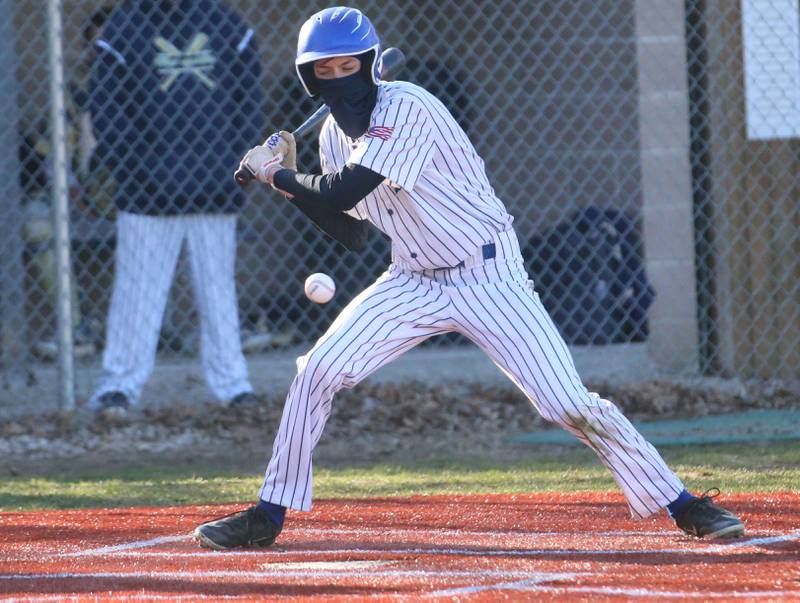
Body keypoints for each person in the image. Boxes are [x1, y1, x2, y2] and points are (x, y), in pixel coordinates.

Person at [194, 6, 745, 549]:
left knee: (567, 404)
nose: (339, 80)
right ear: (307, 77)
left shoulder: (409, 106)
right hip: (411, 278)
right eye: (324, 70)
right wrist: (288, 181)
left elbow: (342, 191)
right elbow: (349, 229)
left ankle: (683, 504)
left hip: (488, 274)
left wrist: (278, 174)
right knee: (317, 371)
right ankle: (268, 513)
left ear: (370, 65)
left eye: (348, 67)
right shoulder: (333, 138)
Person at [87, 0, 263, 416]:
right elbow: (107, 112)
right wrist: (142, 170)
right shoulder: (125, 25)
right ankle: (119, 387)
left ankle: (233, 386)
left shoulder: (223, 23)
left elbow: (248, 106)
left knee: (217, 291)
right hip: (146, 194)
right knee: (137, 293)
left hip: (214, 190)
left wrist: (234, 169)